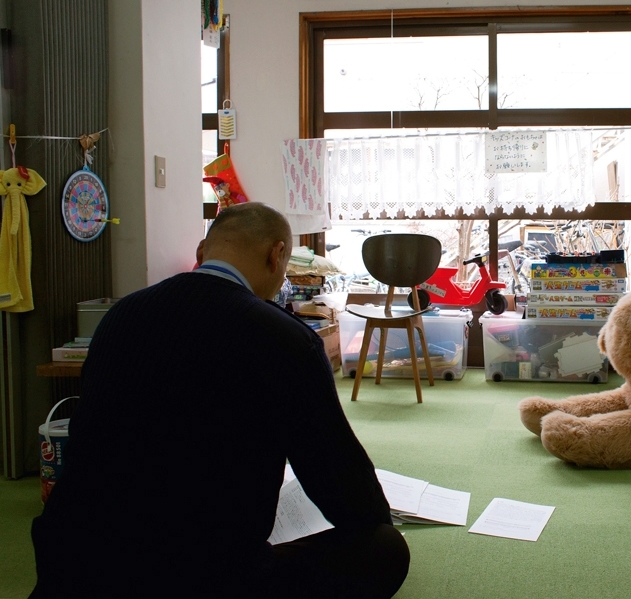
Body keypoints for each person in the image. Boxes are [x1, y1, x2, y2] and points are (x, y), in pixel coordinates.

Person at [30, 202, 409, 598]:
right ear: (276, 255)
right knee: (383, 549)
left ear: (201, 251)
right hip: (201, 574)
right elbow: (342, 483)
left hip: (74, 566)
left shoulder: (121, 316)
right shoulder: (284, 338)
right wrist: (375, 522)